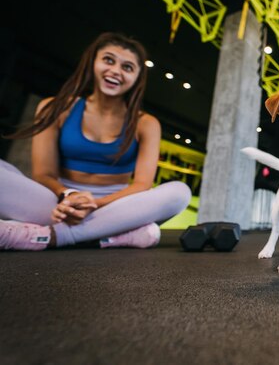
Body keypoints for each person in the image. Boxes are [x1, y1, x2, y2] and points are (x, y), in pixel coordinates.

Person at [0, 32, 191, 250]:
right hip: (59, 203)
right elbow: (44, 174)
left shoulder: (146, 123)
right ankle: (108, 236)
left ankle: (47, 236)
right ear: (93, 62)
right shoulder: (55, 107)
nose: (116, 71)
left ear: (137, 77)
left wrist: (95, 205)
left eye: (127, 67)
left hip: (117, 206)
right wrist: (69, 196)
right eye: (108, 60)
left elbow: (142, 184)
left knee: (180, 193)